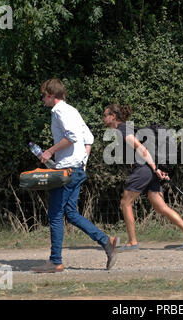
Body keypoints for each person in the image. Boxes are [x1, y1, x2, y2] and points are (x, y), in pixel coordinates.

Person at [31, 79, 119, 273]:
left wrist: (49, 152)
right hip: (76, 169)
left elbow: (71, 137)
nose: (42, 99)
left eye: (43, 95)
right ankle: (107, 241)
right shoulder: (73, 110)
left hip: (67, 170)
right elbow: (88, 138)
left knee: (55, 215)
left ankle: (55, 261)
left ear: (51, 95)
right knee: (70, 213)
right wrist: (82, 164)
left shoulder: (59, 111)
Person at [102, 104, 183, 252]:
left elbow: (142, 149)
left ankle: (132, 242)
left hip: (143, 170)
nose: (103, 118)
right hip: (148, 170)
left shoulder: (123, 130)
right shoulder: (125, 129)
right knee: (160, 206)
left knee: (125, 203)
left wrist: (155, 168)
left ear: (113, 117)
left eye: (105, 115)